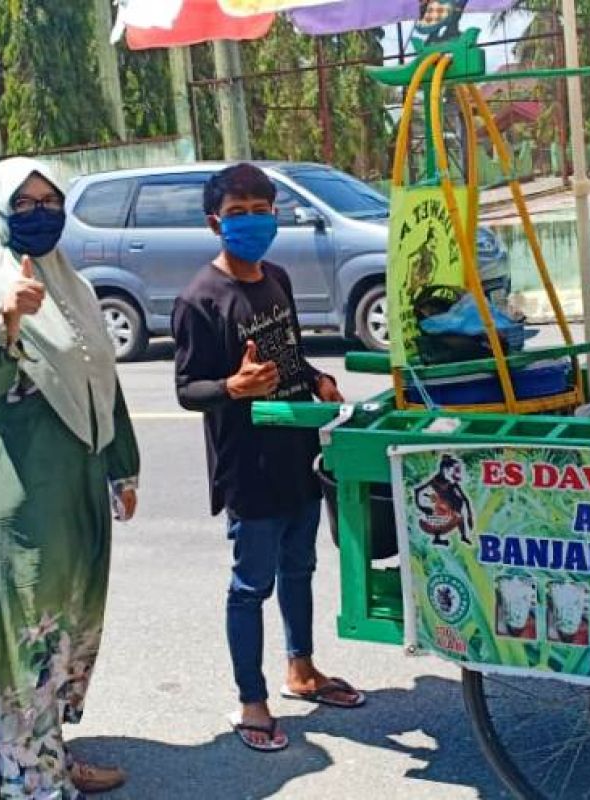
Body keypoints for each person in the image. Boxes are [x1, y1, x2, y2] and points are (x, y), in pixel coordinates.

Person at [0, 157, 140, 799]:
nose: (41, 212)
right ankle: (23, 780)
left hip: (75, 483)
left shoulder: (70, 285)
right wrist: (7, 322)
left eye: (51, 199)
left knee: (62, 626)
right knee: (26, 635)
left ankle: (45, 755)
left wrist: (122, 466)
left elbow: (103, 380)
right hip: (19, 495)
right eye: (24, 204)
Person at [172, 162, 364, 753]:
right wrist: (233, 387)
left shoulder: (275, 277)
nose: (253, 222)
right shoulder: (199, 300)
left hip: (298, 455)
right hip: (248, 469)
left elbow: (289, 355)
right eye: (238, 214)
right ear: (215, 223)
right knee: (251, 585)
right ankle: (251, 700)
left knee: (300, 569)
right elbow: (188, 390)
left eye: (262, 210)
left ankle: (301, 670)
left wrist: (319, 378)